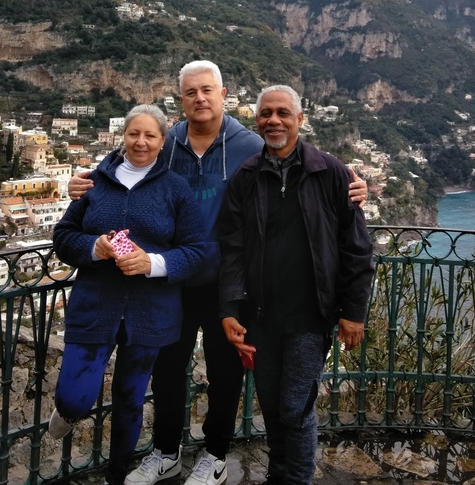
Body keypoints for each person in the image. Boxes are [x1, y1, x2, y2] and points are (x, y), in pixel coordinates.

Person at [68, 62, 367, 485]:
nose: (200, 98)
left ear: (224, 93)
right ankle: (165, 451)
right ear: (180, 100)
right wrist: (79, 184)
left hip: (230, 284)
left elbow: (302, 164)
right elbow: (122, 161)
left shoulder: (249, 144)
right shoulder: (166, 140)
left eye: (207, 89)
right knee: (168, 371)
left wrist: (354, 184)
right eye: (190, 92)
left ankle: (216, 454)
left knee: (225, 375)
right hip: (168, 280)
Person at [217, 85, 375, 485]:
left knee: (295, 406)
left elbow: (357, 248)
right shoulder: (247, 177)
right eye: (266, 113)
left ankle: (298, 478)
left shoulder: (331, 172)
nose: (274, 120)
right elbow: (232, 249)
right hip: (261, 316)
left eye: (283, 113)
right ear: (258, 121)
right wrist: (230, 310)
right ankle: (279, 474)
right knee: (271, 404)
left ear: (300, 120)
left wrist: (353, 313)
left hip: (310, 315)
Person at [49, 104, 210, 485]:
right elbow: (63, 237)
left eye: (149, 135)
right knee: (74, 396)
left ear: (162, 140)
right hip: (95, 305)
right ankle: (69, 411)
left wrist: (151, 262)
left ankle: (116, 476)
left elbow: (196, 250)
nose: (140, 142)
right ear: (123, 136)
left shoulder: (176, 189)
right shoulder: (94, 182)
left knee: (129, 400)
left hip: (150, 312)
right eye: (134, 134)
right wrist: (94, 248)